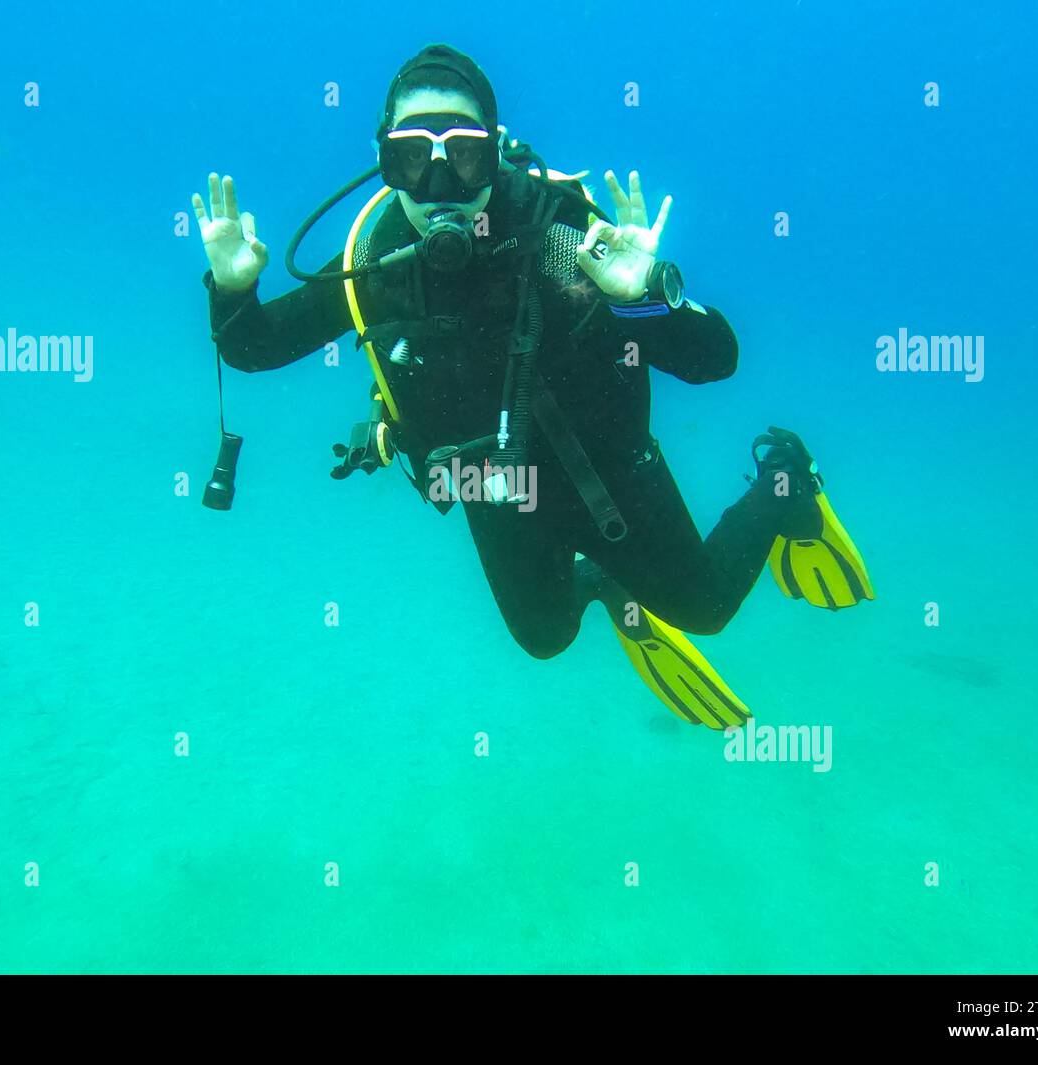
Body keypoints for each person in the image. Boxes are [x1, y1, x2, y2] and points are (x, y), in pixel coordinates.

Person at [192, 44, 872, 728]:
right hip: (495, 487)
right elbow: (255, 348)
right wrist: (232, 287)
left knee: (707, 608)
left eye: (463, 156)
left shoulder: (560, 238)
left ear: (493, 151)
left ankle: (785, 481)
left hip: (606, 471)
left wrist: (644, 298)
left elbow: (715, 359)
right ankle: (607, 583)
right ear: (383, 162)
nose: (439, 186)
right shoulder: (374, 262)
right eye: (411, 158)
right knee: (545, 638)